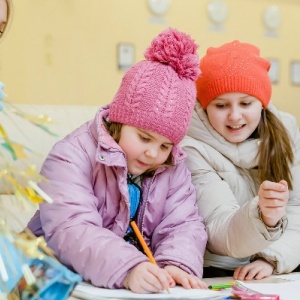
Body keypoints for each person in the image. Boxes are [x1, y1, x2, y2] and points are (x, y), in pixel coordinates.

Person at [26, 28, 208, 293]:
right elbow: (72, 229)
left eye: (165, 145)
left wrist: (176, 263)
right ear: (119, 120)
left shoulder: (172, 166)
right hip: (49, 278)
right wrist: (128, 268)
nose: (154, 154)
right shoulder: (70, 155)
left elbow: (183, 224)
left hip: (119, 284)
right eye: (144, 138)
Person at [181, 40, 300, 281]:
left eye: (246, 103)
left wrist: (272, 258)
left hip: (279, 262)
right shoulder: (192, 147)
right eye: (221, 105)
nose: (235, 116)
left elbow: (297, 209)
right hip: (221, 268)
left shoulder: (285, 132)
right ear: (204, 107)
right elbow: (217, 228)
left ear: (262, 104)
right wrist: (263, 216)